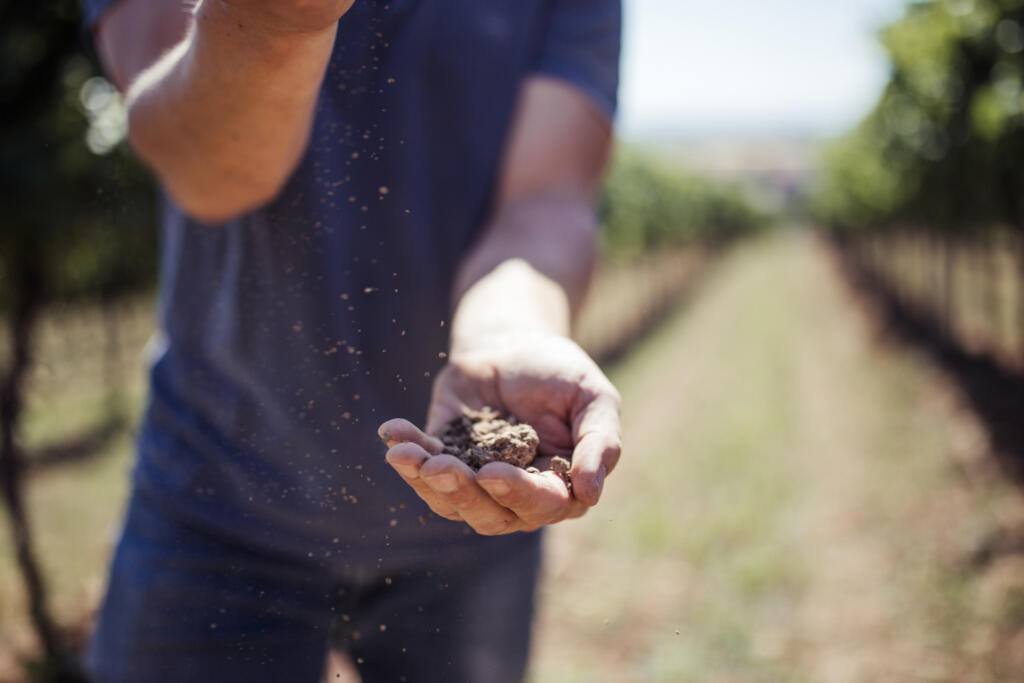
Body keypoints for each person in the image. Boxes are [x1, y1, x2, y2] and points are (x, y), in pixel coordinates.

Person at [83, 0, 623, 680]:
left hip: (473, 523)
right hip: (215, 499)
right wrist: (278, 19)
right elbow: (206, 171)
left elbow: (545, 199)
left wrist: (511, 331)